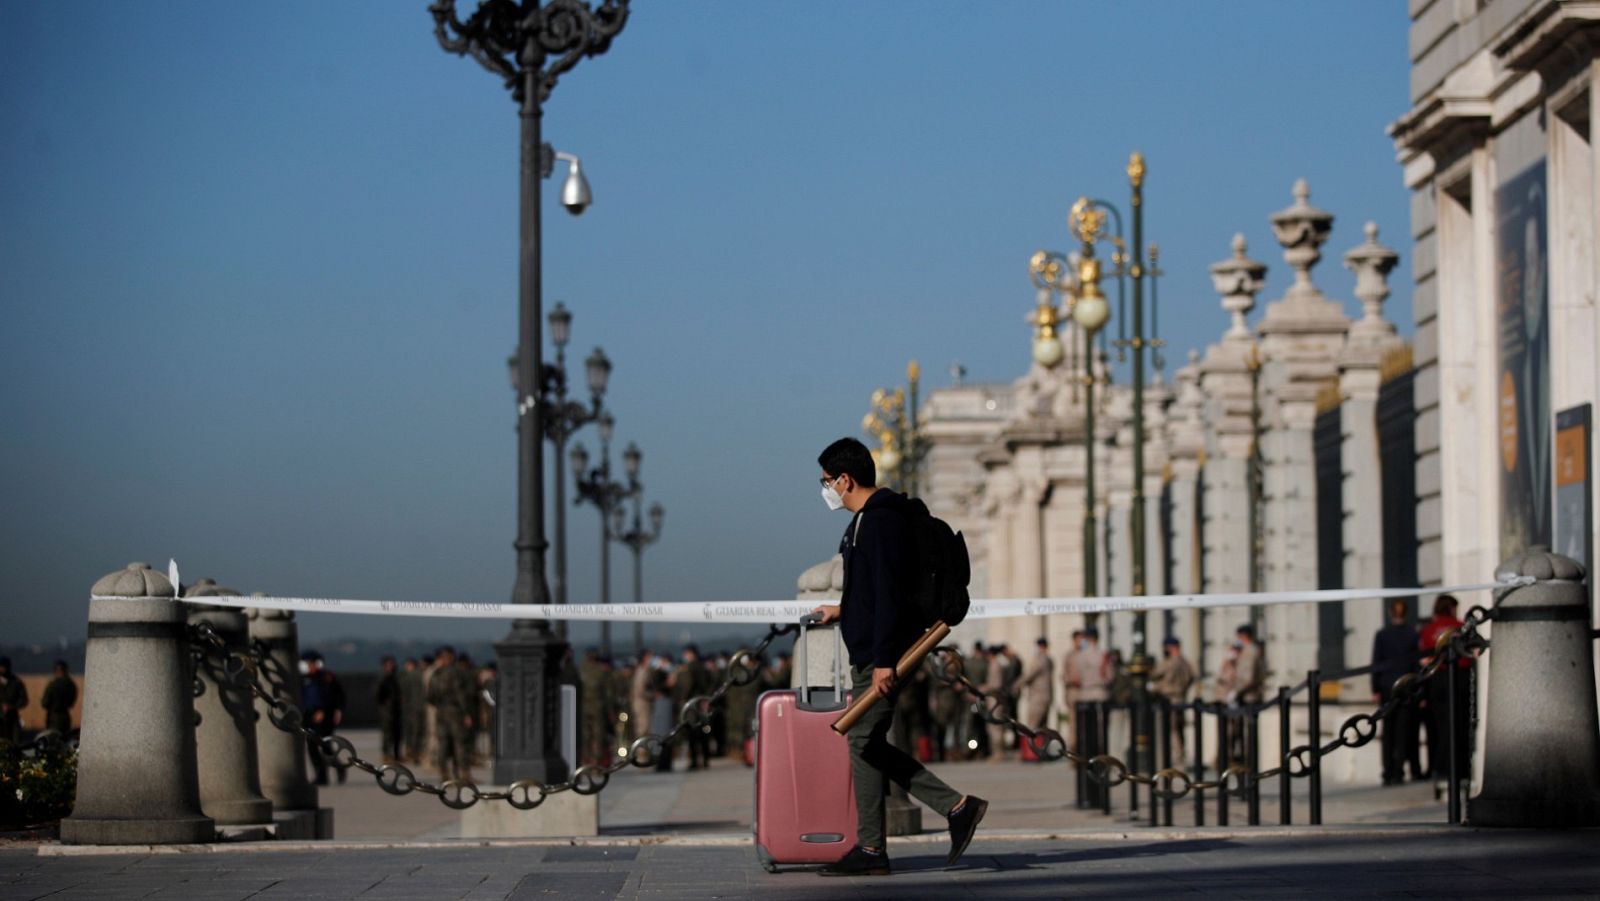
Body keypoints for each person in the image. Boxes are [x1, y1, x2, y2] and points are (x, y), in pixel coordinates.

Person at [811, 437, 985, 877]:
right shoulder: (865, 522)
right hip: (873, 649)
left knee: (861, 739)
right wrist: (841, 609)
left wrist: (886, 659)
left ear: (845, 480)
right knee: (865, 741)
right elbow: (872, 591)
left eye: (827, 481)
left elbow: (889, 593)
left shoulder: (880, 522)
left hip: (882, 653)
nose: (826, 489)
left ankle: (876, 847)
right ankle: (953, 810)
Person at [1420, 594, 1472, 789]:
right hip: (1459, 677)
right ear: (1451, 608)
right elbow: (1469, 655)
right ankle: (1460, 768)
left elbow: (1424, 659)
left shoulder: (1429, 631)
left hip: (1438, 681)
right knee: (1460, 724)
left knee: (1441, 726)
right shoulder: (1460, 627)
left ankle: (1442, 768)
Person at [1371, 599, 1421, 786]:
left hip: (1386, 686)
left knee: (1388, 731)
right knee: (1402, 731)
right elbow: (1416, 664)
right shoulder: (1412, 634)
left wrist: (1375, 688)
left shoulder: (1382, 635)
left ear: (1390, 612)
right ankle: (1398, 770)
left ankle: (1388, 771)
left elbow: (1377, 662)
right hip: (1406, 686)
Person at [426, 646, 474, 783]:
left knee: (443, 743)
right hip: (455, 711)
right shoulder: (457, 673)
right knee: (460, 742)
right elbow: (461, 694)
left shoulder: (436, 674)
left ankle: (444, 774)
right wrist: (466, 713)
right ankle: (463, 773)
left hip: (440, 711)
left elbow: (430, 696)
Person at [300, 651, 347, 785]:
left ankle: (339, 768)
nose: (310, 666)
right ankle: (321, 775)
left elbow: (335, 696)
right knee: (312, 747)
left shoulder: (326, 677)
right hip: (308, 715)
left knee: (325, 746)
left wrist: (331, 711)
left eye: (312, 663)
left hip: (324, 715)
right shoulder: (304, 679)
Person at [1150, 637, 1195, 755]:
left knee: (1171, 731)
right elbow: (1191, 678)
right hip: (1181, 699)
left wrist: (1155, 687)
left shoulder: (1169, 663)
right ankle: (1181, 757)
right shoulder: (1185, 662)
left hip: (1168, 699)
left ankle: (1175, 759)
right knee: (1179, 731)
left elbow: (1155, 674)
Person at [670, 645, 710, 770]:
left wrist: (683, 698)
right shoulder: (703, 666)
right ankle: (705, 760)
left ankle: (694, 761)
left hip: (691, 703)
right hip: (702, 701)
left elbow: (688, 684)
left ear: (691, 654)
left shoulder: (689, 668)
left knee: (692, 733)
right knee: (703, 733)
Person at [1019, 637, 1055, 730]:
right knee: (1042, 726)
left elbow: (1029, 675)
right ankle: (1042, 744)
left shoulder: (1040, 659)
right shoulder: (1049, 659)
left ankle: (1033, 745)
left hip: (1038, 697)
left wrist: (1016, 685)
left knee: (1033, 726)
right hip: (1045, 697)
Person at [963, 642, 990, 759]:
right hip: (982, 697)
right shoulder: (986, 663)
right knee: (982, 725)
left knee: (971, 725)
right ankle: (983, 749)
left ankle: (971, 749)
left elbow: (964, 679)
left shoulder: (968, 662)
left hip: (971, 696)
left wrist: (969, 692)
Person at [375, 656, 403, 763]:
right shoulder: (383, 679)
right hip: (387, 710)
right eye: (389, 665)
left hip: (396, 709)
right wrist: (385, 704)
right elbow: (377, 695)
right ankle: (386, 754)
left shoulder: (396, 678)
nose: (392, 667)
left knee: (397, 733)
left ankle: (396, 754)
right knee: (387, 733)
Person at [40, 660, 77, 736]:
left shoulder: (53, 684)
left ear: (57, 671)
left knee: (53, 740)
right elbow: (71, 703)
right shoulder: (71, 685)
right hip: (65, 717)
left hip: (53, 718)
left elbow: (44, 703)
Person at [400, 658, 426, 764]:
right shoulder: (421, 674)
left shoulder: (407, 676)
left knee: (412, 731)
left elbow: (404, 692)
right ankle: (416, 752)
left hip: (411, 707)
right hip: (419, 707)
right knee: (418, 731)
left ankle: (412, 751)